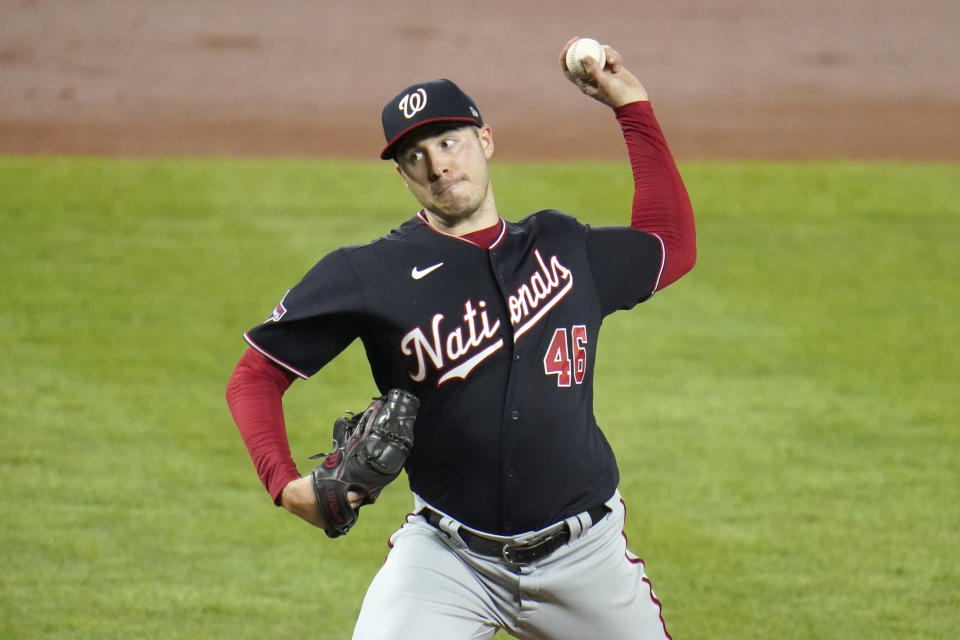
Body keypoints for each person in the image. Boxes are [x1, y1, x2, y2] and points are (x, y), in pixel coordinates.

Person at [226, 37, 696, 640]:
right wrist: (286, 485)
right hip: (448, 560)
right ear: (402, 175)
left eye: (449, 142)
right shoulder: (368, 273)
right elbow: (256, 374)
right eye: (416, 155)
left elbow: (670, 246)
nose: (439, 164)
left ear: (486, 141)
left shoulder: (562, 247)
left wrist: (631, 105)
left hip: (587, 559)